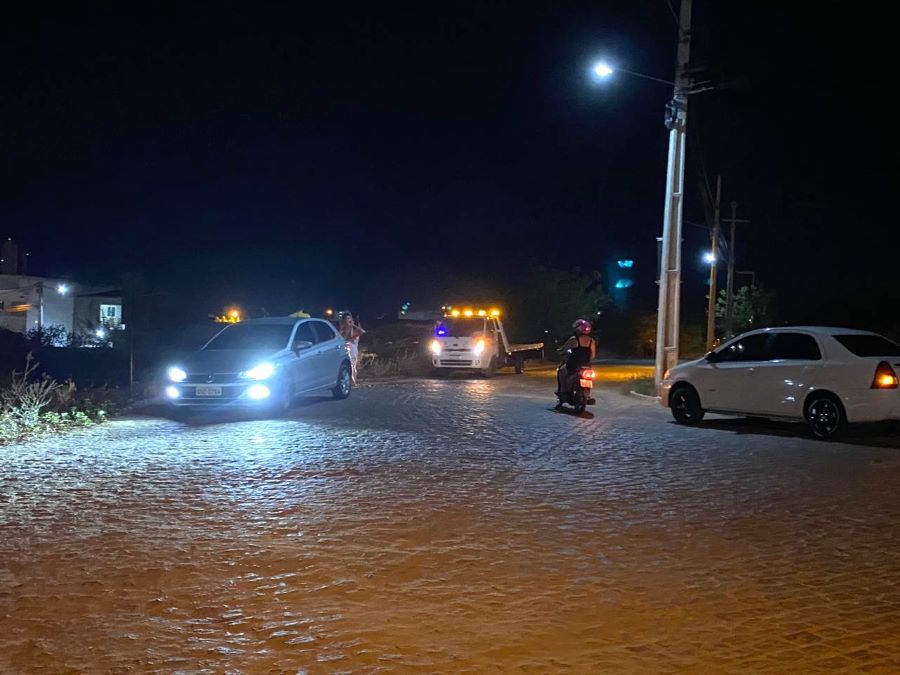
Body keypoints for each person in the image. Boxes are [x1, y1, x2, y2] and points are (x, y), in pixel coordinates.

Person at [556, 319, 597, 408]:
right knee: (590, 378)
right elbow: (593, 355)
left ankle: (563, 392)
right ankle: (588, 395)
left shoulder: (574, 339)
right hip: (587, 366)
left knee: (561, 372)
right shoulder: (592, 341)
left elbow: (564, 349)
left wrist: (560, 351)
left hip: (573, 365)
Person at [339, 312, 366, 385]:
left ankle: (353, 381)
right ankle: (352, 381)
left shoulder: (354, 329)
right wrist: (342, 328)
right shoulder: (343, 330)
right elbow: (340, 338)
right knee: (349, 365)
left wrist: (353, 325)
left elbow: (362, 331)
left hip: (353, 349)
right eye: (346, 319)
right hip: (346, 349)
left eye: (349, 318)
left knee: (353, 366)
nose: (347, 320)